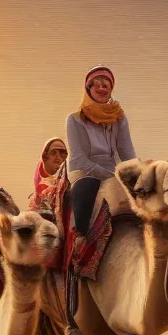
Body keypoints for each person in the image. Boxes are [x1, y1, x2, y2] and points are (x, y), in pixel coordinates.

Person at [66, 65, 136, 235]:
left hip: (112, 171)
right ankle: (80, 238)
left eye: (106, 83)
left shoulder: (119, 118)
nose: (102, 86)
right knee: (87, 186)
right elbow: (79, 157)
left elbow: (127, 152)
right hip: (84, 171)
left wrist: (136, 173)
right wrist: (110, 176)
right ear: (88, 89)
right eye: (96, 83)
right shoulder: (75, 119)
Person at [29, 137, 68, 208]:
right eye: (53, 153)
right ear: (45, 157)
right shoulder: (36, 201)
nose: (58, 157)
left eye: (62, 154)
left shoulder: (68, 185)